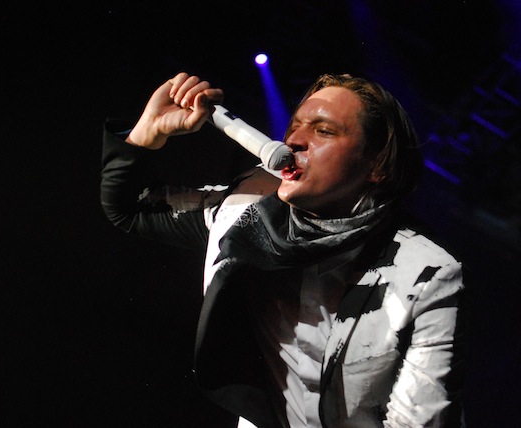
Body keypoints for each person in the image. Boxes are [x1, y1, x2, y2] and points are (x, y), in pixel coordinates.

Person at [101, 72, 468, 427]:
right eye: (294, 126)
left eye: (323, 131)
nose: (294, 141)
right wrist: (146, 134)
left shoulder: (425, 274)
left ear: (377, 166)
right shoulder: (245, 211)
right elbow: (131, 208)